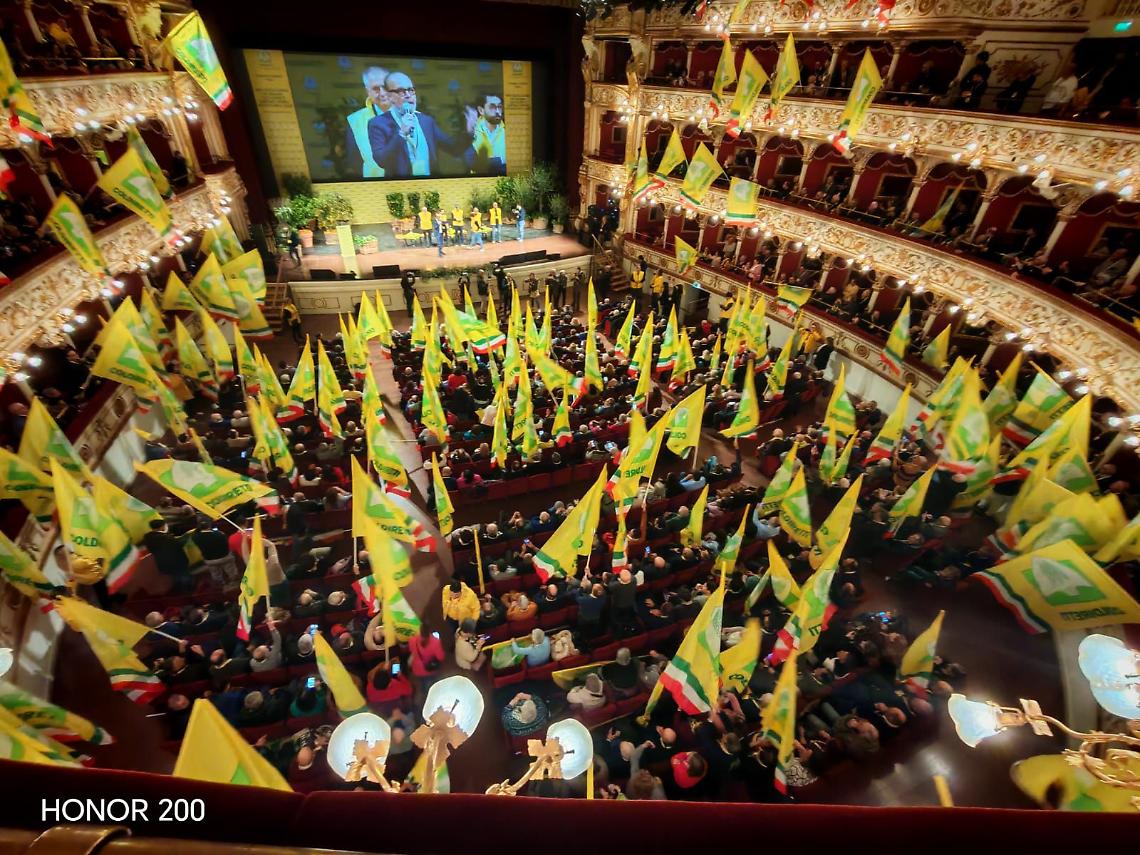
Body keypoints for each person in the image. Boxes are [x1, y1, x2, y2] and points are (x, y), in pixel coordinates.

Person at [367, 72, 478, 178]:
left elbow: (453, 148)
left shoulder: (426, 121)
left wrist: (469, 132)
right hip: (399, 187)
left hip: (429, 185)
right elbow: (381, 161)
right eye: (401, 91)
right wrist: (401, 134)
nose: (408, 95)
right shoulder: (378, 123)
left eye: (411, 90)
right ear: (390, 96)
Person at [344, 66, 390, 178]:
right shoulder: (355, 121)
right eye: (376, 89)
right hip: (375, 188)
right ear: (367, 91)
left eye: (385, 86)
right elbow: (354, 163)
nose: (382, 93)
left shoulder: (414, 115)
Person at [142, 519, 192, 593]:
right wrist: (187, 536)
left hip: (163, 563)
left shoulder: (148, 537)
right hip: (177, 563)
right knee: (184, 577)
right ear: (162, 527)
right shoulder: (166, 538)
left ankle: (179, 591)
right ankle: (187, 591)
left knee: (174, 578)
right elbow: (178, 545)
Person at [468, 93, 506, 176]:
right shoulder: (471, 131)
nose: (497, 111)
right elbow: (471, 163)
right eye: (492, 107)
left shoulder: (507, 131)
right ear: (481, 110)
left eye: (499, 107)